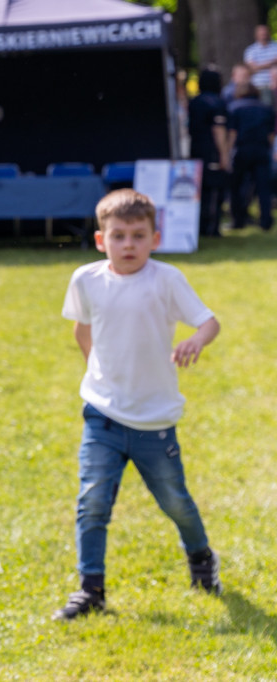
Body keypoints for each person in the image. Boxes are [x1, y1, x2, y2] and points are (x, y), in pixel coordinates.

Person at [54, 189, 221, 621]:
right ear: (100, 240)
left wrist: (195, 340)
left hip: (154, 420)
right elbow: (81, 331)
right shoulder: (86, 279)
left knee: (175, 501)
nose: (128, 245)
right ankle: (90, 589)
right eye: (118, 236)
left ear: (155, 238)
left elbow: (209, 321)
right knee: (91, 502)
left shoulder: (166, 280)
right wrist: (99, 374)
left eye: (138, 236)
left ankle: (201, 559)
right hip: (102, 416)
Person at [186, 68, 230, 237]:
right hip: (212, 151)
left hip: (195, 150)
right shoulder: (217, 103)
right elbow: (218, 130)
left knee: (199, 189)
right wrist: (224, 155)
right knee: (213, 190)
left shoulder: (194, 102)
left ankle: (200, 226)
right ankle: (212, 228)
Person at [226, 83, 275, 231]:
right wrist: (270, 150)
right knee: (263, 188)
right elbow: (271, 135)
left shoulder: (234, 107)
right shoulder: (267, 109)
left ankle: (238, 220)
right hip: (261, 150)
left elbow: (233, 134)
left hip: (242, 150)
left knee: (236, 186)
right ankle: (266, 221)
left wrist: (227, 153)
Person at [243, 24, 277, 106]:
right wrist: (272, 62)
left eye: (265, 33)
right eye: (261, 34)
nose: (264, 35)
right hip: (258, 86)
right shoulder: (251, 50)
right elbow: (252, 68)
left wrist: (259, 66)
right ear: (256, 35)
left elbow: (256, 67)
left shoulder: (275, 46)